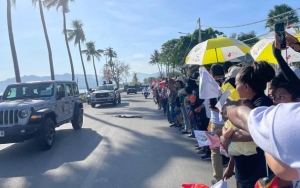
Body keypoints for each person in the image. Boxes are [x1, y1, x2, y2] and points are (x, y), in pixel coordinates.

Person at [225, 32, 300, 183]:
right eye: (275, 98)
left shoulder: (272, 113)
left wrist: (229, 130)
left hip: (258, 172)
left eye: (281, 97)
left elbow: (286, 173)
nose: (277, 103)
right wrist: (280, 54)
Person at [221, 61, 275, 188]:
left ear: (246, 87)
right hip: (244, 169)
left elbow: (254, 131)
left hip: (257, 170)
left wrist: (228, 136)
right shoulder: (247, 104)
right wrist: (230, 166)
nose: (235, 88)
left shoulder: (261, 105)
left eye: (236, 85)